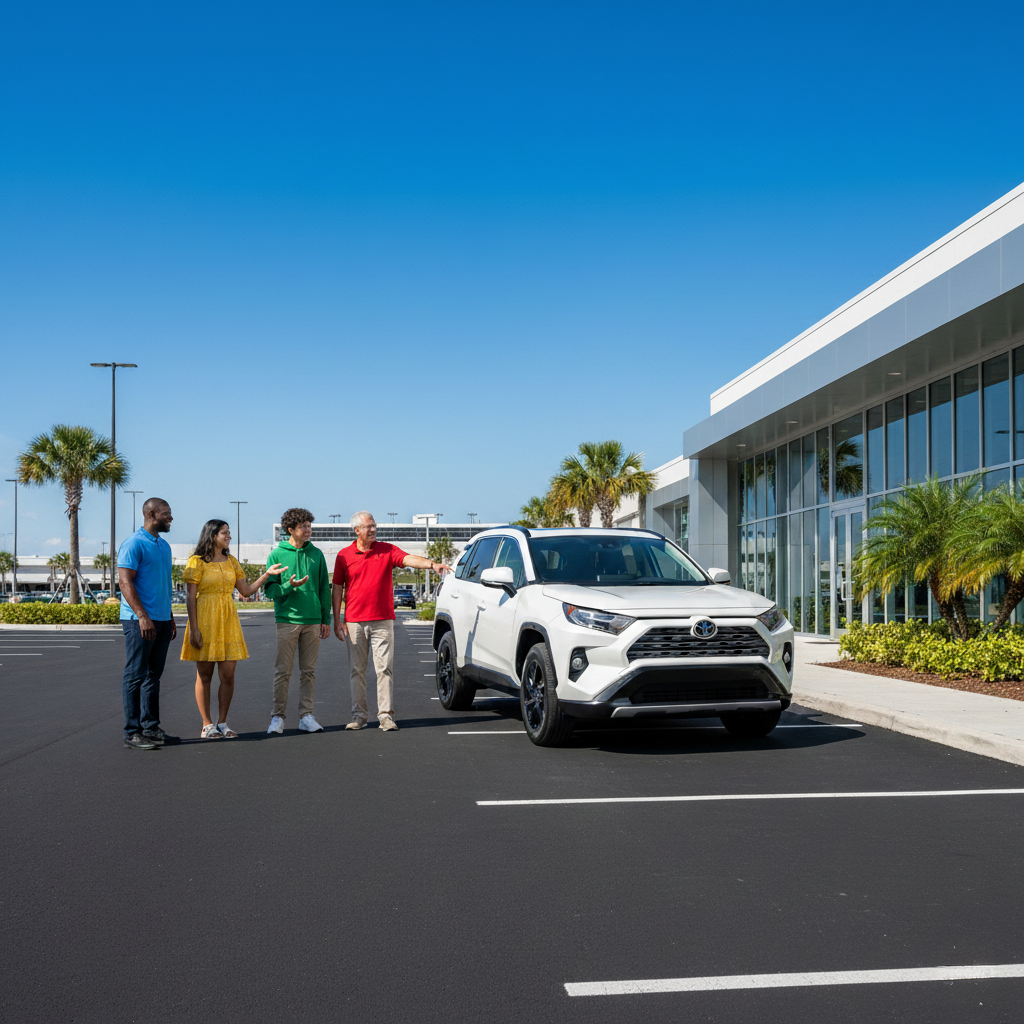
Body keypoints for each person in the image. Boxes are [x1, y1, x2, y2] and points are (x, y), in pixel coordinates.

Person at [332, 511, 454, 732]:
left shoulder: (387, 550)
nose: (373, 529)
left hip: (383, 621)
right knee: (356, 671)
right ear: (357, 530)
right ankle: (359, 717)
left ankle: (385, 717)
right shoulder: (343, 556)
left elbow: (408, 558)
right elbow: (338, 588)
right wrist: (336, 619)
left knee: (384, 670)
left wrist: (431, 564)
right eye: (368, 526)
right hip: (354, 622)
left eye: (374, 525)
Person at [181, 519, 291, 739]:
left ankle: (222, 722)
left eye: (229, 532)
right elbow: (191, 597)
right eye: (225, 533)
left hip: (228, 619)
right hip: (204, 619)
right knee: (204, 675)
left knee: (228, 675)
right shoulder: (196, 561)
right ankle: (206, 724)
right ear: (212, 535)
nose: (229, 536)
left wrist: (267, 574)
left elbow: (246, 591)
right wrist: (194, 628)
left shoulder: (231, 560)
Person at [118, 497, 179, 750]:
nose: (171, 518)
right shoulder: (133, 543)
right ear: (151, 514)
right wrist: (143, 616)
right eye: (166, 514)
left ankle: (150, 727)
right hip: (138, 621)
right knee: (135, 675)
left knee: (154, 675)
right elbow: (125, 582)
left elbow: (162, 585)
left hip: (162, 620)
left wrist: (170, 616)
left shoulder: (164, 546)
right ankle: (132, 732)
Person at [264, 508, 332, 735]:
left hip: (313, 621)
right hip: (287, 620)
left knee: (308, 672)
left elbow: (324, 588)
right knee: (282, 671)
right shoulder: (276, 555)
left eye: (309, 525)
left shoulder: (317, 554)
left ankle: (306, 716)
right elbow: (270, 591)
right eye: (302, 526)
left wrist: (325, 618)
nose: (307, 530)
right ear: (290, 529)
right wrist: (287, 586)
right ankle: (277, 717)